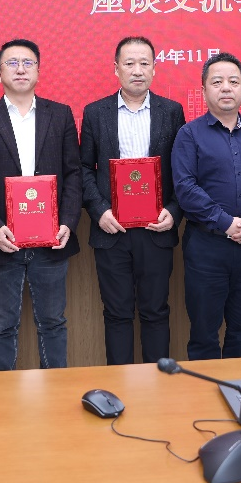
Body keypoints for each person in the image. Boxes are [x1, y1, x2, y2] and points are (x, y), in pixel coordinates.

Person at [0, 39, 81, 371]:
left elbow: (74, 173)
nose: (20, 69)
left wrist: (68, 223)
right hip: (2, 240)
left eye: (28, 63)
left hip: (52, 240)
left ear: (38, 71)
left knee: (53, 322)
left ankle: (55, 392)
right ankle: (4, 396)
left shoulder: (60, 115)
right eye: (11, 63)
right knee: (2, 326)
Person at [172, 52, 241, 359]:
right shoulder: (189, 134)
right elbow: (185, 188)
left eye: (233, 82)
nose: (226, 88)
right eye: (217, 82)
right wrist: (226, 222)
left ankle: (238, 389)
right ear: (204, 90)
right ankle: (207, 392)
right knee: (204, 334)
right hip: (207, 247)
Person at [80, 36, 186, 364]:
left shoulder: (172, 112)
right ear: (116, 69)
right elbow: (82, 168)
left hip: (157, 230)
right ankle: (120, 386)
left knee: (156, 312)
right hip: (112, 230)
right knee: (117, 314)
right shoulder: (95, 113)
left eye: (144, 63)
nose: (137, 70)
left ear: (154, 69)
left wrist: (173, 211)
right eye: (129, 63)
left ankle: (158, 385)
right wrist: (99, 211)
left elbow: (183, 171)